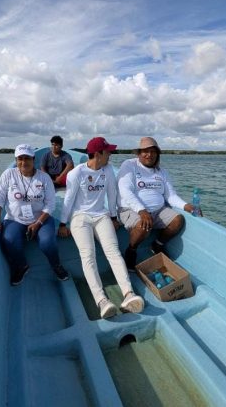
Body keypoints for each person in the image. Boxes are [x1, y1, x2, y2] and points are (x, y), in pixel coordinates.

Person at [58, 137, 144, 319]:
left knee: (113, 251)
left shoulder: (108, 170)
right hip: (80, 217)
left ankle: (128, 294)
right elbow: (68, 199)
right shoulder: (76, 173)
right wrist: (63, 223)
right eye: (107, 152)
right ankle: (101, 300)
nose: (110, 154)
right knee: (88, 255)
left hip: (101, 215)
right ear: (97, 154)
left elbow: (112, 195)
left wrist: (113, 217)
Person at [0, 144, 69, 285]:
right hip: (15, 219)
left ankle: (56, 265)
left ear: (33, 159)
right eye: (20, 159)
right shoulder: (8, 175)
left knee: (47, 242)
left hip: (41, 219)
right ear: (16, 160)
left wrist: (38, 223)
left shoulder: (44, 178)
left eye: (27, 158)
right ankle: (22, 266)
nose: (23, 162)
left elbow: (50, 204)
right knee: (9, 240)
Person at [117, 136, 202, 271]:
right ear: (139, 153)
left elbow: (171, 195)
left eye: (153, 151)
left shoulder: (162, 172)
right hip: (131, 209)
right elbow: (125, 191)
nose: (149, 155)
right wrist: (142, 211)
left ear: (157, 154)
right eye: (145, 151)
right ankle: (131, 250)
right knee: (144, 226)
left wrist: (187, 206)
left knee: (178, 220)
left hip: (158, 210)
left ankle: (158, 244)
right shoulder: (129, 165)